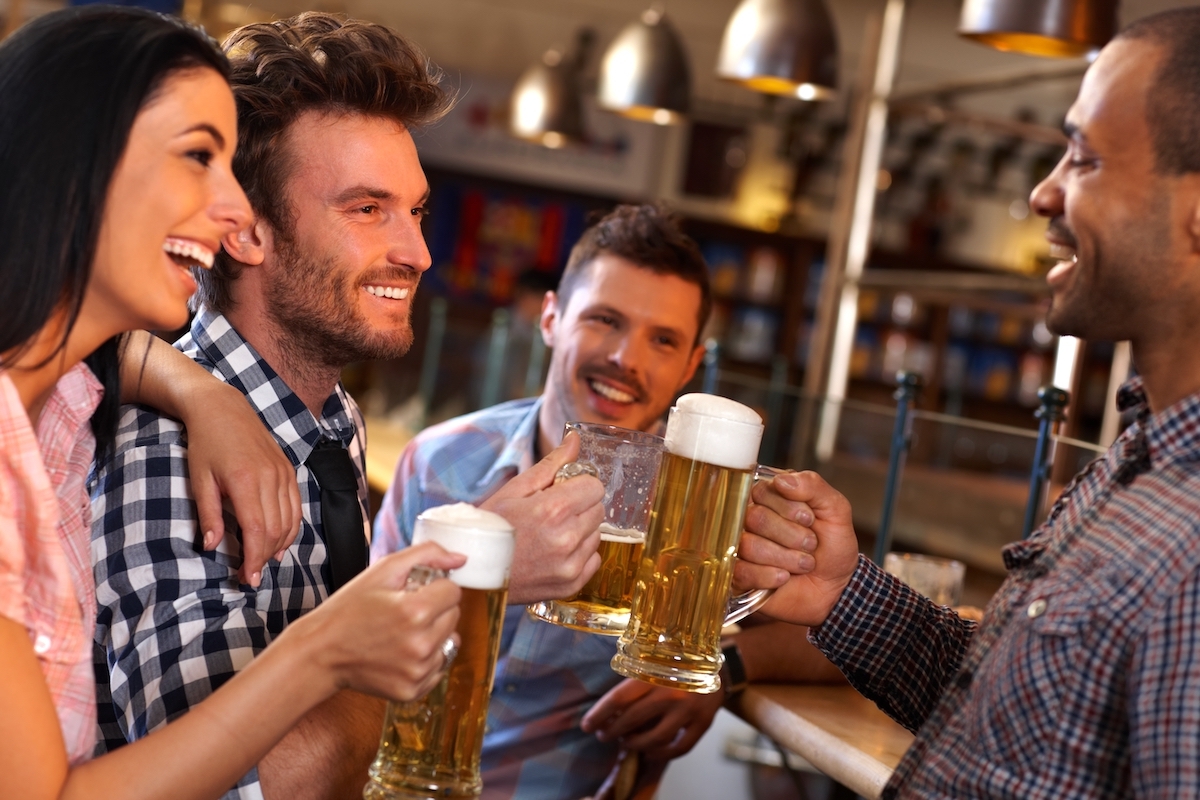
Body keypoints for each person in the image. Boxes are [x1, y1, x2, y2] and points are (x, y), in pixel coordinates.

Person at [90, 12, 604, 800]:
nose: (418, 252)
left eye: (416, 211)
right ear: (248, 231)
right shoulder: (164, 445)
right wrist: (471, 576)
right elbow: (230, 788)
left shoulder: (330, 426)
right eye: (368, 210)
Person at [0, 7, 466, 799]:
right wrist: (450, 600)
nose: (230, 207)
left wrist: (197, 390)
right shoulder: (118, 444)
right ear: (77, 171)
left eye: (415, 211)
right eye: (196, 158)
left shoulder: (68, 412)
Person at [735, 8, 1200, 798]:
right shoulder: (1139, 456)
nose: (1043, 192)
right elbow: (1012, 717)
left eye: (1083, 158)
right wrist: (843, 593)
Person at [374, 204, 842, 799]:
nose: (627, 358)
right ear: (550, 317)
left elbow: (838, 639)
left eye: (663, 340)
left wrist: (725, 669)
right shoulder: (438, 463)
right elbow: (364, 643)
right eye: (604, 320)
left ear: (691, 366)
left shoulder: (702, 517)